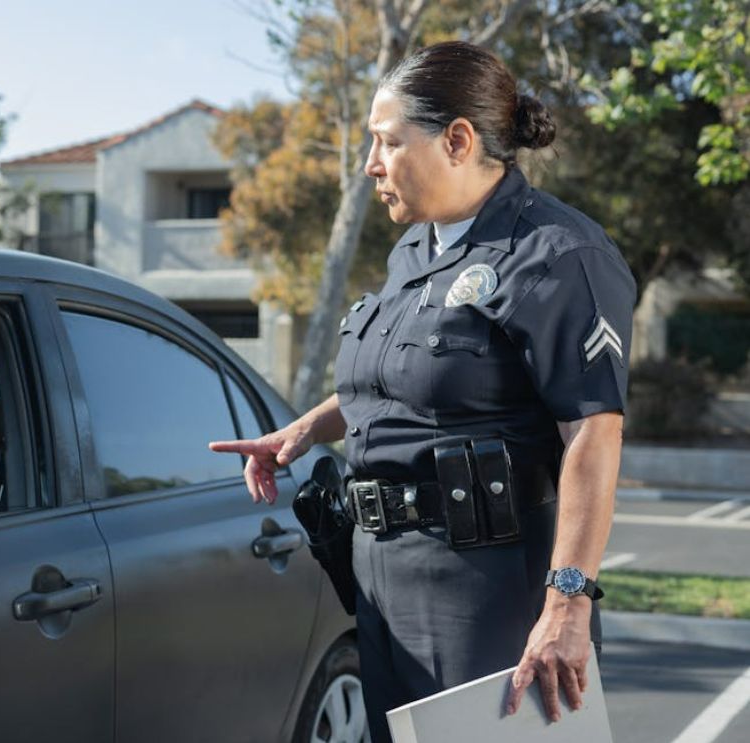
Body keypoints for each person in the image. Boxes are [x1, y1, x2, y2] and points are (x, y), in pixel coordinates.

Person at [211, 41, 634, 742]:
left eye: (386, 142)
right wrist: (304, 429)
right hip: (380, 578)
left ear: (457, 141)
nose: (370, 163)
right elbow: (399, 380)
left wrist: (566, 606)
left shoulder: (560, 254)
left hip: (487, 587)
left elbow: (592, 431)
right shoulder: (416, 248)